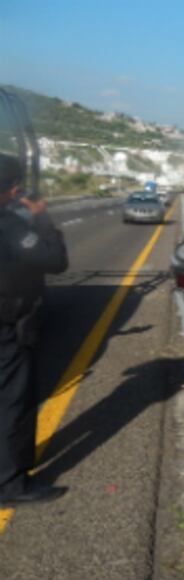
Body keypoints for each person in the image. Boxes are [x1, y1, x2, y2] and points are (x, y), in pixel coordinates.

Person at [0, 153, 68, 507]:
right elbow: (55, 260)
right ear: (13, 190)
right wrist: (42, 218)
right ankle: (10, 486)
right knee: (14, 403)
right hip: (7, 329)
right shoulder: (10, 226)